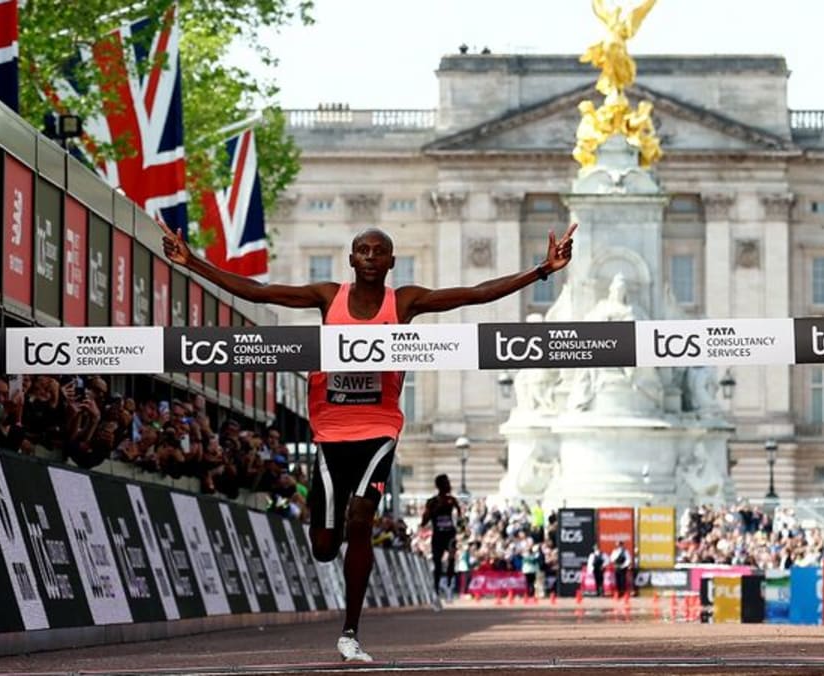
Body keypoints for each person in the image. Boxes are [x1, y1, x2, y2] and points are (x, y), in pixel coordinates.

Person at [162, 220, 576, 662]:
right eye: (364, 251)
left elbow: (474, 293)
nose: (372, 258)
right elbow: (260, 293)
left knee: (361, 520)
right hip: (329, 432)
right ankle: (335, 530)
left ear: (392, 261)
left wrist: (542, 271)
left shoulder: (405, 302)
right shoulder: (327, 297)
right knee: (324, 547)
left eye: (380, 252)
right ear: (352, 259)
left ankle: (350, 631)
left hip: (379, 429)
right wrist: (193, 263)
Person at [420, 474, 461, 610]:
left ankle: (449, 587)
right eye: (446, 482)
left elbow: (460, 518)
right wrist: (431, 512)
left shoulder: (452, 500)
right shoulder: (431, 502)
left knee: (451, 559)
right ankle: (436, 594)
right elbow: (424, 522)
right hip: (437, 536)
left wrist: (462, 528)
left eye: (448, 482)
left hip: (450, 535)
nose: (448, 485)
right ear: (439, 485)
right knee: (437, 564)